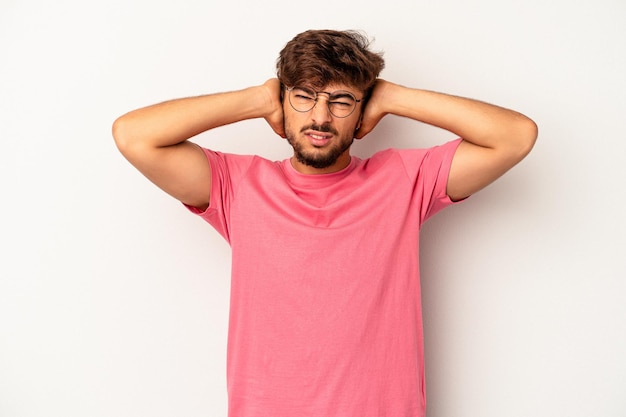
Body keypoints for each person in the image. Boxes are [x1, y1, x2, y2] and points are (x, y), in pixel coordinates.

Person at [112, 29, 537, 417]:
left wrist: (393, 97)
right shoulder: (238, 185)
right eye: (304, 96)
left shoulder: (405, 180)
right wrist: (258, 99)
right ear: (285, 101)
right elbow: (134, 135)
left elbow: (515, 136)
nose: (320, 117)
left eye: (340, 101)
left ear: (361, 111)